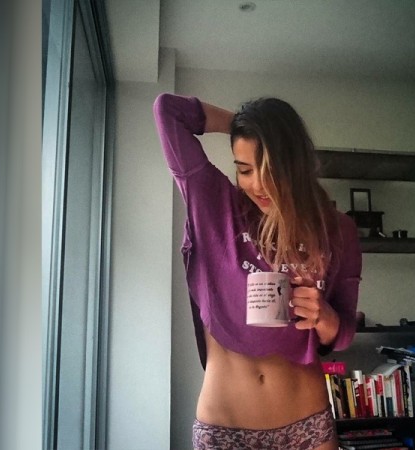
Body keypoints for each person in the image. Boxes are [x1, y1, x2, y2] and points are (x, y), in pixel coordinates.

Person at [153, 93, 362, 450]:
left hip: (308, 426)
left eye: (270, 169)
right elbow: (167, 111)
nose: (258, 185)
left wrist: (324, 317)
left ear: (294, 163)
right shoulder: (214, 205)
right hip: (225, 429)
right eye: (245, 170)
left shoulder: (338, 230)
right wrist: (244, 125)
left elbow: (342, 335)